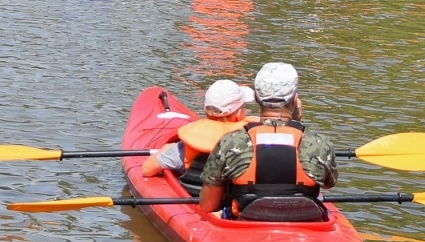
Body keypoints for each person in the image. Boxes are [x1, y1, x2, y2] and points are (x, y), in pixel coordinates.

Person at [199, 62, 338, 221]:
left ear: (257, 98)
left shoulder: (230, 142)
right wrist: (296, 123)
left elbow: (207, 205)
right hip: (304, 225)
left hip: (245, 226)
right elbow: (328, 183)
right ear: (295, 99)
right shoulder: (320, 144)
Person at [140, 80, 254, 182]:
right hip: (232, 200)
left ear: (205, 110)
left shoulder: (181, 149)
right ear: (239, 114)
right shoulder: (251, 140)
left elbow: (146, 169)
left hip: (195, 195)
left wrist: (164, 150)